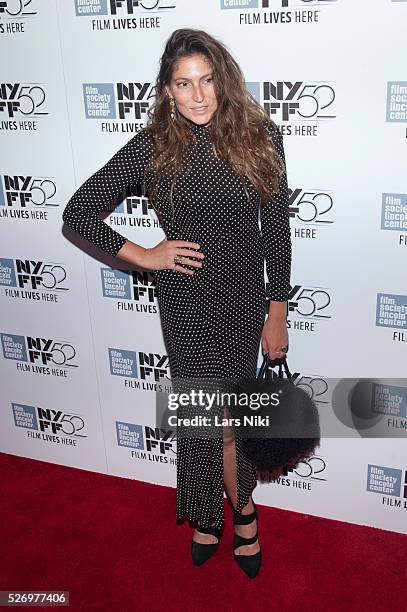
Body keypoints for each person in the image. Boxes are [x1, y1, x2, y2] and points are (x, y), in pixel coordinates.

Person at [62, 28, 291, 579]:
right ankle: (202, 512)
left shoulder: (260, 136)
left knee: (232, 420)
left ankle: (243, 514)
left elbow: (276, 230)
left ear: (223, 79)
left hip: (242, 301)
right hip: (185, 301)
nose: (199, 95)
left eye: (207, 80)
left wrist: (277, 310)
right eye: (184, 83)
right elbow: (79, 213)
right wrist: (144, 253)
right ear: (166, 89)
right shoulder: (152, 148)